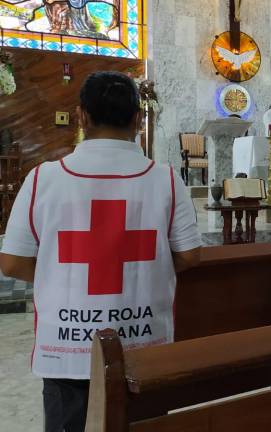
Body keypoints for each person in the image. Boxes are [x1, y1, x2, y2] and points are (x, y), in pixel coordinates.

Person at [0, 71, 202, 432]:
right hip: (145, 350)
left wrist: (59, 271)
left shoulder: (43, 178)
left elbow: (12, 262)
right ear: (139, 119)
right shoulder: (167, 179)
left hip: (66, 356)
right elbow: (189, 256)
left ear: (81, 116)